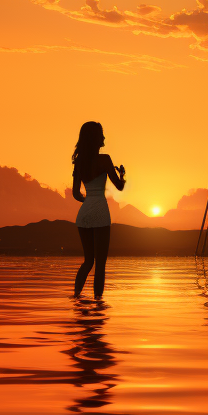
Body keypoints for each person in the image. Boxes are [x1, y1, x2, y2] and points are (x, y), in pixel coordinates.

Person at [71, 121, 125, 297]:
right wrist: (122, 175)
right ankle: (98, 303)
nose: (104, 137)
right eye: (101, 134)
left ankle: (76, 296)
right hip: (100, 212)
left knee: (88, 261)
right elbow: (119, 186)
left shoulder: (79, 162)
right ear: (95, 138)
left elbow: (76, 193)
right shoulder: (105, 159)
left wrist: (88, 201)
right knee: (100, 264)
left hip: (84, 213)